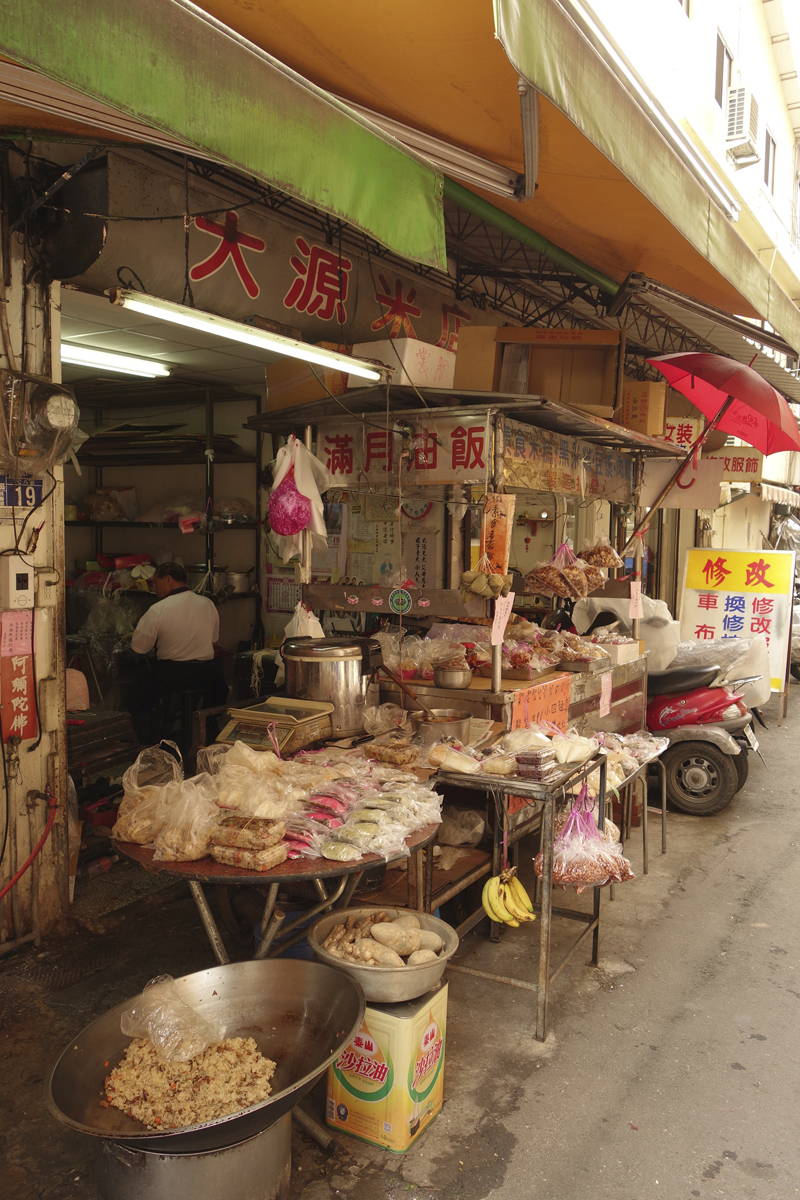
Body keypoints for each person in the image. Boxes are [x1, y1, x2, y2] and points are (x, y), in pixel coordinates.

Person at [128, 562, 227, 737]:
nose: (155, 588)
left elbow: (139, 648)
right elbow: (214, 640)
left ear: (168, 580)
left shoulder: (158, 609)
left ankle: (146, 744)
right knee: (221, 689)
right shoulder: (207, 604)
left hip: (172, 676)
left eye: (155, 583)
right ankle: (206, 729)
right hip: (206, 674)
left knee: (135, 697)